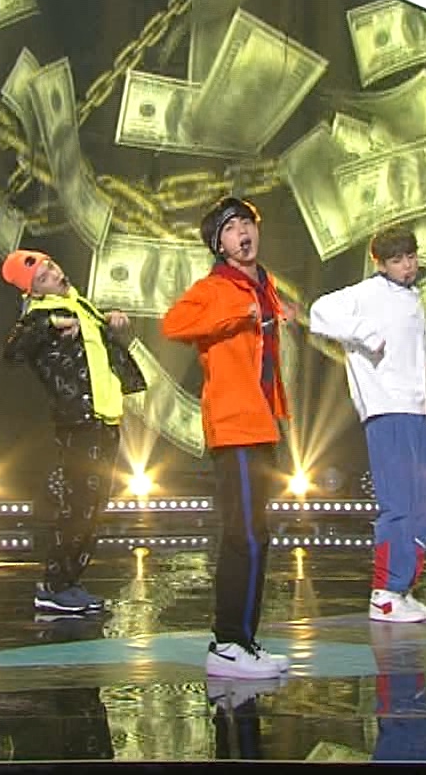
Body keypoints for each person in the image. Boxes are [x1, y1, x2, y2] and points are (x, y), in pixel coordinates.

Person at [162, 197, 293, 679]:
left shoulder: (264, 284)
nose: (244, 232)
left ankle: (245, 640)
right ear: (219, 243)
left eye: (248, 223)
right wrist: (237, 312)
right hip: (233, 423)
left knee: (258, 534)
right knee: (242, 535)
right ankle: (227, 642)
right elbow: (174, 324)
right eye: (232, 227)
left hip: (262, 421)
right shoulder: (216, 287)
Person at [308, 224, 426, 624]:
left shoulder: (414, 297)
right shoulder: (366, 294)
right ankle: (384, 594)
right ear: (380, 264)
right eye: (397, 260)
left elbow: (425, 333)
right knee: (398, 503)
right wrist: (366, 336)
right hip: (386, 406)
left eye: (411, 257)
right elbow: (320, 312)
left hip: (416, 407)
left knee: (419, 504)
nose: (407, 266)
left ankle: (402, 589)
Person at [1, 249, 147, 615]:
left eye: (51, 266)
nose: (54, 274)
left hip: (104, 418)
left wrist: (111, 321)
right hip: (80, 421)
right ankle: (56, 584)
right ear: (34, 291)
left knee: (93, 506)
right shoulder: (39, 317)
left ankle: (69, 582)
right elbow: (13, 350)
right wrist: (51, 326)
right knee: (80, 505)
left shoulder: (80, 306)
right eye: (43, 277)